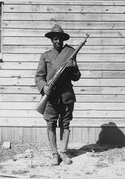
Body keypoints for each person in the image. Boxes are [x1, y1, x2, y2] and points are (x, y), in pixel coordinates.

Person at [35, 24, 81, 165]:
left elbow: (77, 76)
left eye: (60, 39)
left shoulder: (70, 53)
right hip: (51, 96)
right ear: (51, 40)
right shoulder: (45, 56)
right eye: (55, 39)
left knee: (65, 124)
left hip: (66, 95)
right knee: (51, 124)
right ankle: (54, 154)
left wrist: (73, 67)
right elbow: (39, 77)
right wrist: (44, 88)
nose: (58, 42)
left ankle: (63, 152)